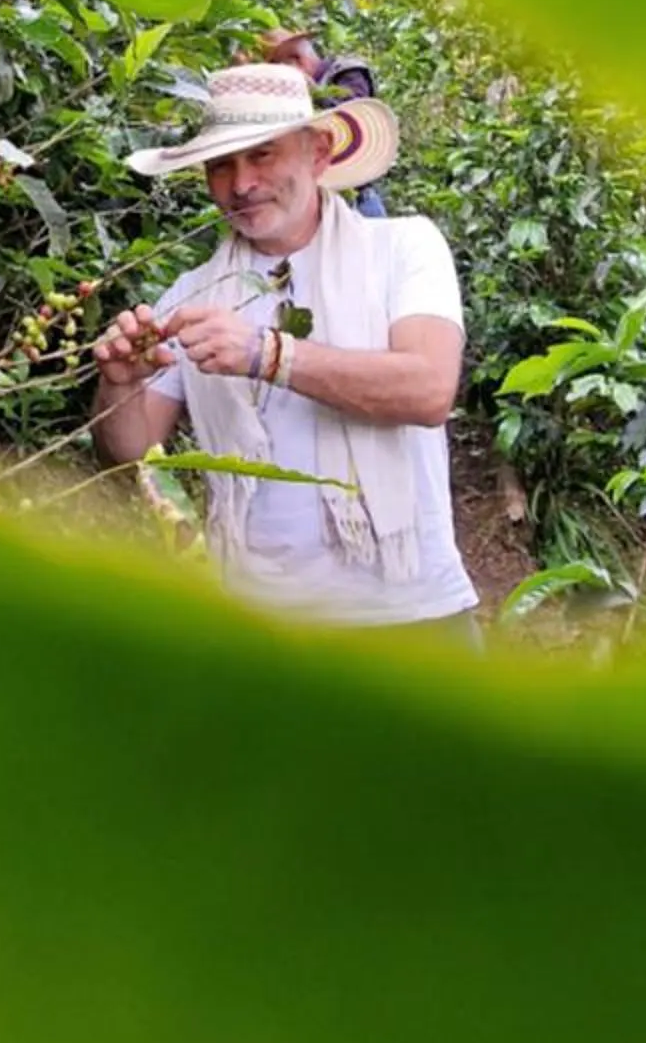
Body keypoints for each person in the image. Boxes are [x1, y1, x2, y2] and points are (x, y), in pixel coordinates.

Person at [92, 61, 480, 637]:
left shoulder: (403, 248)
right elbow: (130, 452)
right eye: (222, 163)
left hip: (413, 619)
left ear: (318, 154)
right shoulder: (195, 294)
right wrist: (119, 382)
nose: (242, 183)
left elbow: (427, 389)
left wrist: (268, 355)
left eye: (263, 154)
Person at [260, 29, 387, 216]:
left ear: (297, 59)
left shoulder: (347, 71)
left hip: (357, 196)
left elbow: (353, 113)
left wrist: (312, 93)